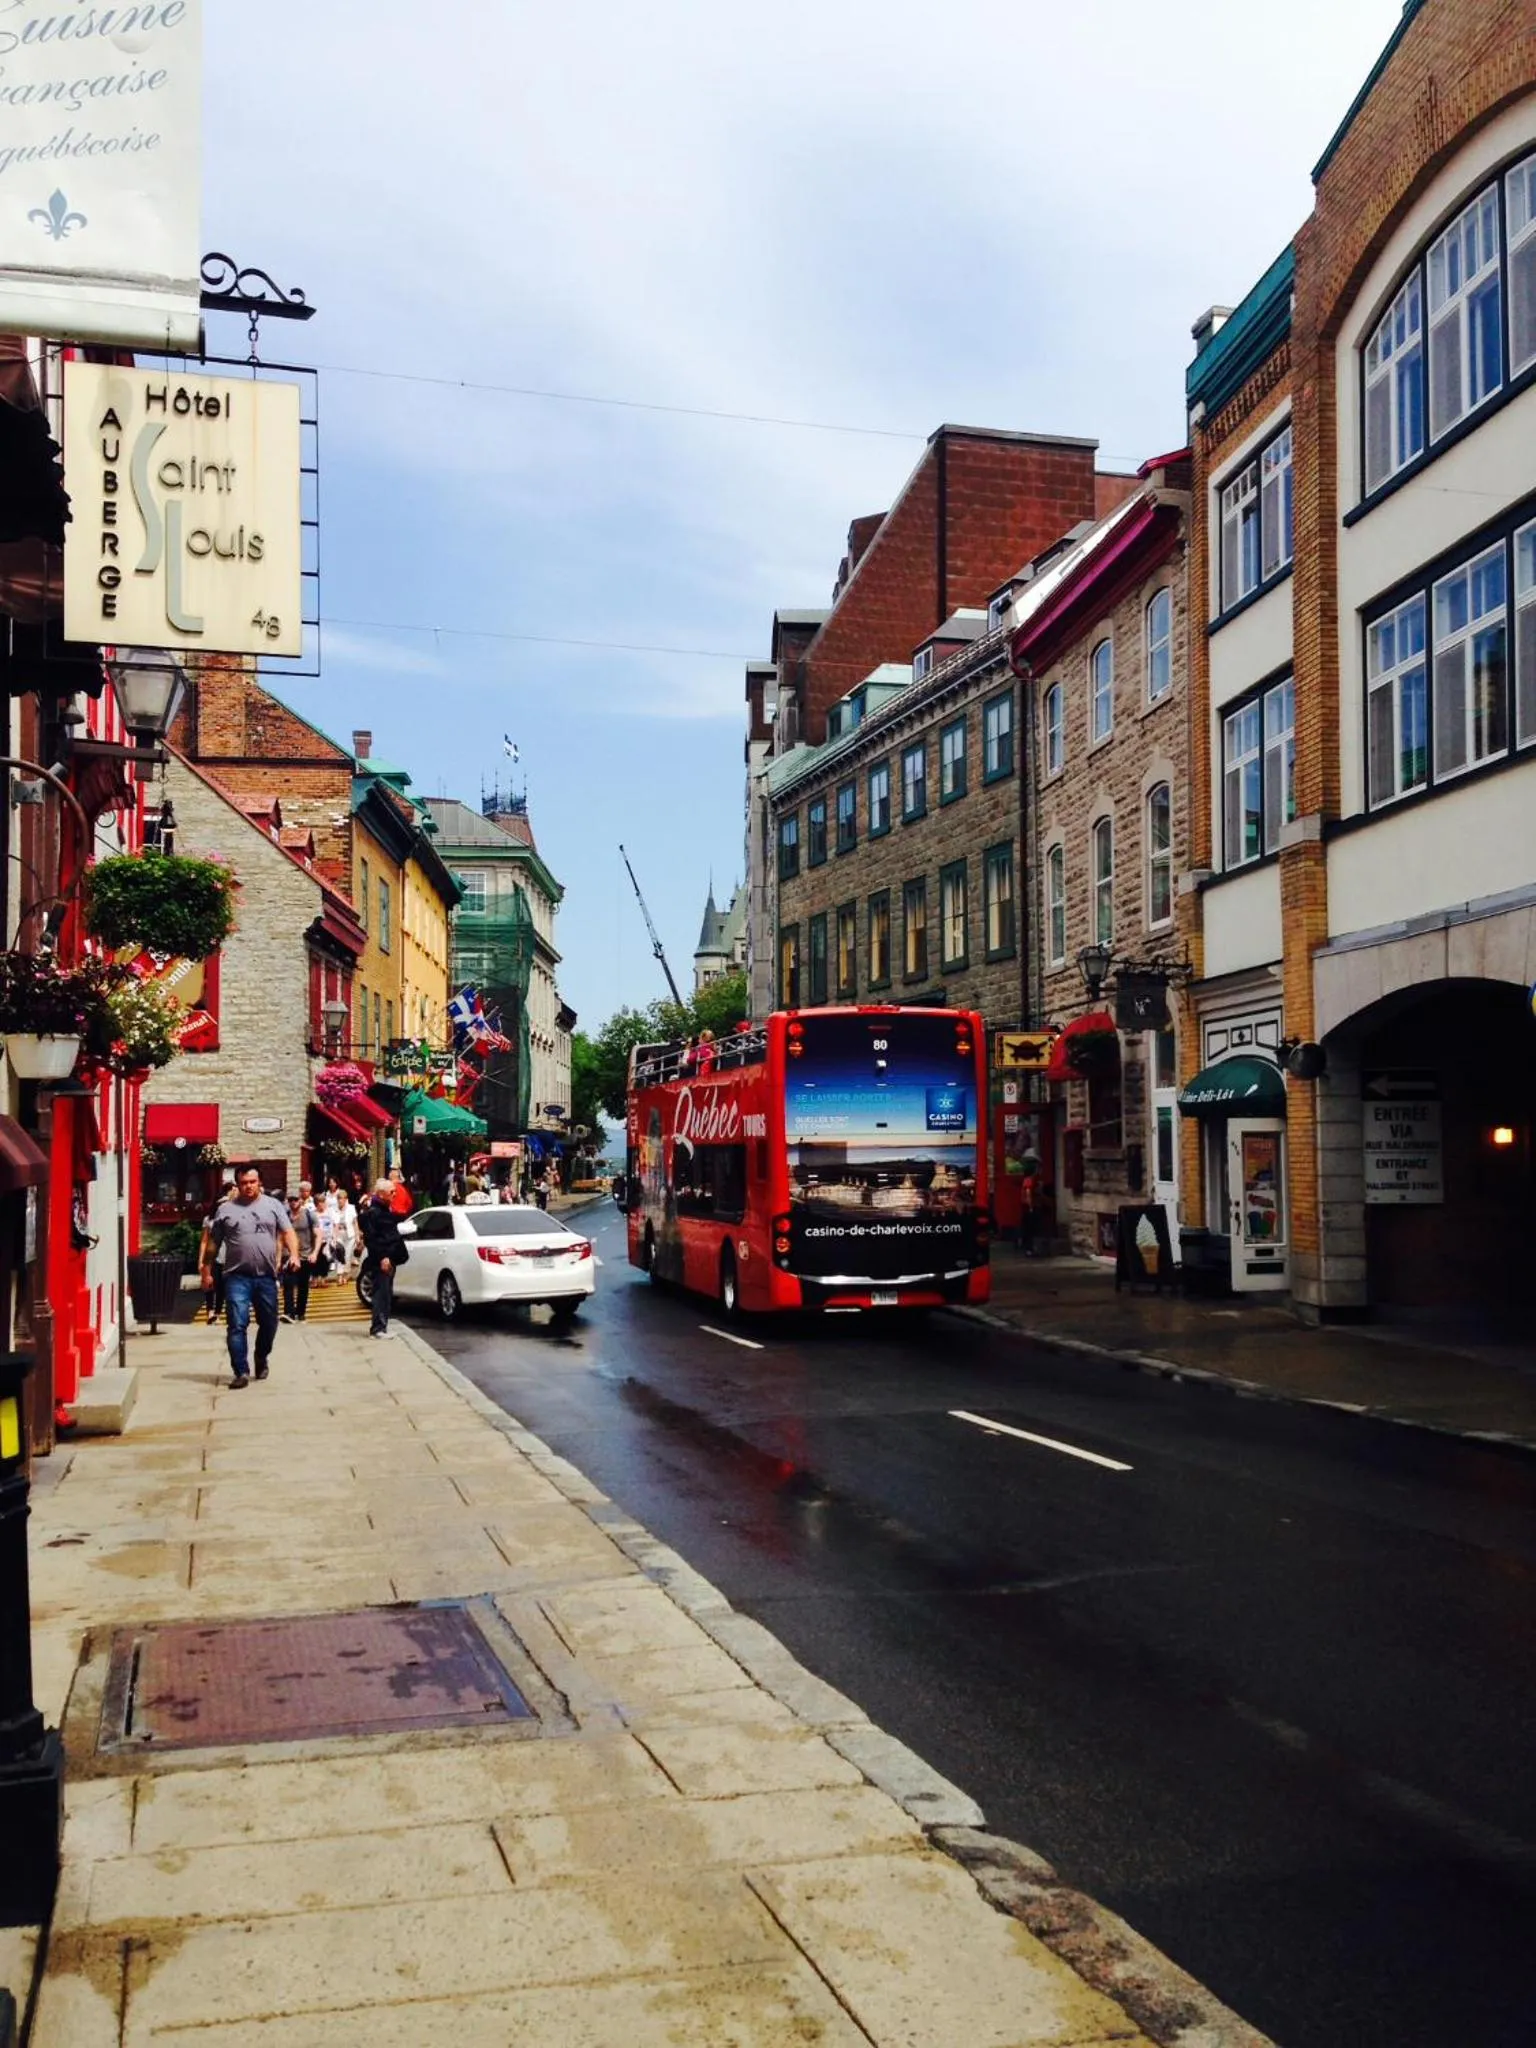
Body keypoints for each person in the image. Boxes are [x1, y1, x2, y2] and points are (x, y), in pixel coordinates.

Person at [200, 1167, 298, 1389]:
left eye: (253, 1181)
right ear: (238, 1185)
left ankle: (261, 1356)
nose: (249, 1186)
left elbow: (288, 1232)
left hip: (266, 1276)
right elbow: (214, 1243)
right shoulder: (225, 1210)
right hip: (237, 1277)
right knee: (237, 1324)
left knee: (269, 1323)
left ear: (259, 1182)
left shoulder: (273, 1206)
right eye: (244, 1182)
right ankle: (241, 1371)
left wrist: (293, 1254)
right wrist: (206, 1270)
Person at [359, 1177, 410, 1339]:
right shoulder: (375, 1213)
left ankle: (382, 1327)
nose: (394, 1194)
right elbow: (373, 1239)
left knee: (386, 1293)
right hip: (382, 1259)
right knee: (381, 1293)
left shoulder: (383, 1210)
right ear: (381, 1194)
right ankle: (378, 1329)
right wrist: (383, 1257)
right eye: (391, 1192)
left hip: (388, 1257)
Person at [202, 1180, 235, 1324]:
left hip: (227, 1257)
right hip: (214, 1257)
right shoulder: (209, 1220)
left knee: (221, 1286)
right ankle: (210, 1310)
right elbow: (205, 1242)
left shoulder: (231, 1219)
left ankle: (217, 1312)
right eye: (221, 1203)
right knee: (210, 1283)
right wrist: (202, 1261)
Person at [283, 1193, 319, 1322]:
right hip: (290, 1256)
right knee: (288, 1283)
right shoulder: (285, 1216)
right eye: (290, 1200)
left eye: (295, 1199)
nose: (293, 1202)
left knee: (303, 1285)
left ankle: (300, 1312)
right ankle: (289, 1312)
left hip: (305, 1255)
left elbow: (318, 1234)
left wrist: (315, 1253)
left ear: (301, 1201)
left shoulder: (309, 1215)